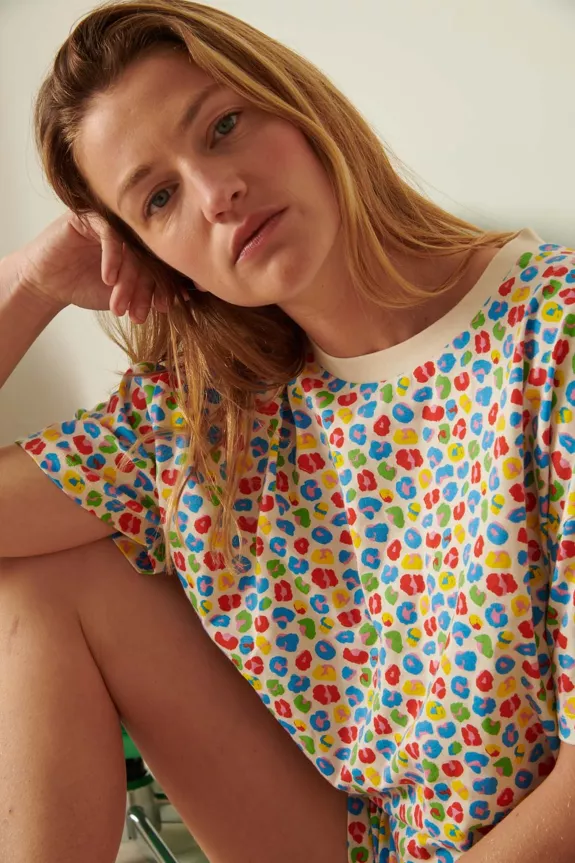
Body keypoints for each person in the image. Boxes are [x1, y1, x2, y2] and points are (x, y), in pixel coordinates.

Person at [1, 1, 574, 862]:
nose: (214, 194)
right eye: (158, 199)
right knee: (40, 579)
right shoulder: (204, 412)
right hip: (358, 841)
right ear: (149, 253)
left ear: (296, 105)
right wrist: (31, 283)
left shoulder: (550, 330)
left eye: (222, 126)